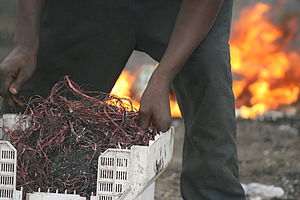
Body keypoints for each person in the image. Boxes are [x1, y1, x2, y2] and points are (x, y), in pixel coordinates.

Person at [0, 0, 245, 199]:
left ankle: (213, 192)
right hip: (95, 7)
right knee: (49, 116)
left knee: (208, 75)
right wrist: (25, 43)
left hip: (182, 8)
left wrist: (162, 77)